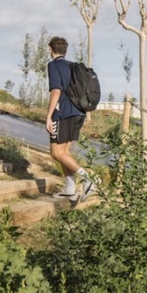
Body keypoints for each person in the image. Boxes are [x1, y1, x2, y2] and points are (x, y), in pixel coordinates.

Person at [45, 36, 95, 203]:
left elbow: (56, 91)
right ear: (65, 51)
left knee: (56, 153)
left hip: (64, 113)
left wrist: (49, 116)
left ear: (50, 49)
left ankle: (89, 180)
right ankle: (70, 188)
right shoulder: (72, 66)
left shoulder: (54, 65)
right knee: (65, 153)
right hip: (79, 112)